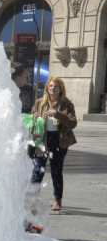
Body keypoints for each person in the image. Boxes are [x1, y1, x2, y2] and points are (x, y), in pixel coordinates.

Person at [31, 77, 78, 212]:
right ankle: (33, 200)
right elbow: (32, 119)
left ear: (61, 89)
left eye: (56, 86)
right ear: (47, 87)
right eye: (50, 86)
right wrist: (33, 119)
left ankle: (57, 199)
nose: (52, 89)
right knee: (37, 171)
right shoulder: (40, 102)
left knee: (56, 171)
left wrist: (58, 114)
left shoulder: (67, 104)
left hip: (58, 140)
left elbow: (73, 123)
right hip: (42, 139)